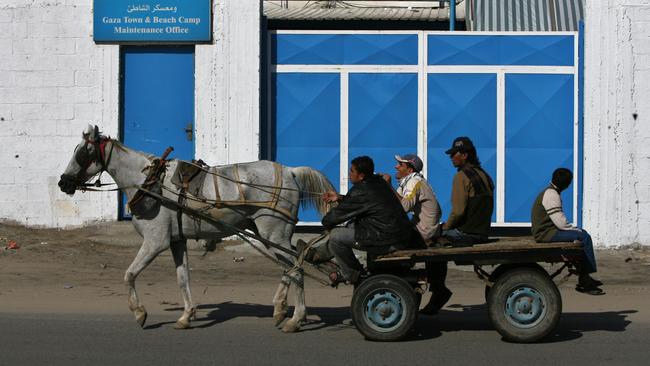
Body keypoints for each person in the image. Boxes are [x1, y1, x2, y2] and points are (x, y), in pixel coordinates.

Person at [321, 156, 414, 286]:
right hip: (397, 234)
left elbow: (335, 216)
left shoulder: (361, 190)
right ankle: (321, 253)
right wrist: (339, 197)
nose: (349, 174)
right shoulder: (377, 182)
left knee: (336, 236)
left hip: (387, 240)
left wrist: (326, 222)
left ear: (361, 176)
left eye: (352, 171)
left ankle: (352, 273)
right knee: (350, 225)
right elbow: (360, 202)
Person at [382, 153, 451, 315]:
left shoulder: (415, 182)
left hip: (424, 231)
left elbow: (404, 206)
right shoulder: (408, 181)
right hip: (422, 228)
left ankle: (408, 283)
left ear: (409, 169)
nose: (396, 167)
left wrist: (389, 185)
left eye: (400, 164)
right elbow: (392, 203)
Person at [531, 168, 603, 295]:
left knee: (581, 234)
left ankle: (584, 276)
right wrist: (576, 230)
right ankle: (584, 280)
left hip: (548, 231)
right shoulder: (552, 195)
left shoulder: (550, 192)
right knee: (584, 237)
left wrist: (575, 230)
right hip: (546, 233)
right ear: (567, 184)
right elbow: (561, 223)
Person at [441, 136, 494, 246]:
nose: (451, 157)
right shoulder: (485, 175)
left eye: (454, 154)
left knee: (432, 235)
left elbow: (458, 211)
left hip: (465, 233)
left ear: (464, 155)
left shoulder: (461, 176)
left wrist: (445, 227)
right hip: (483, 234)